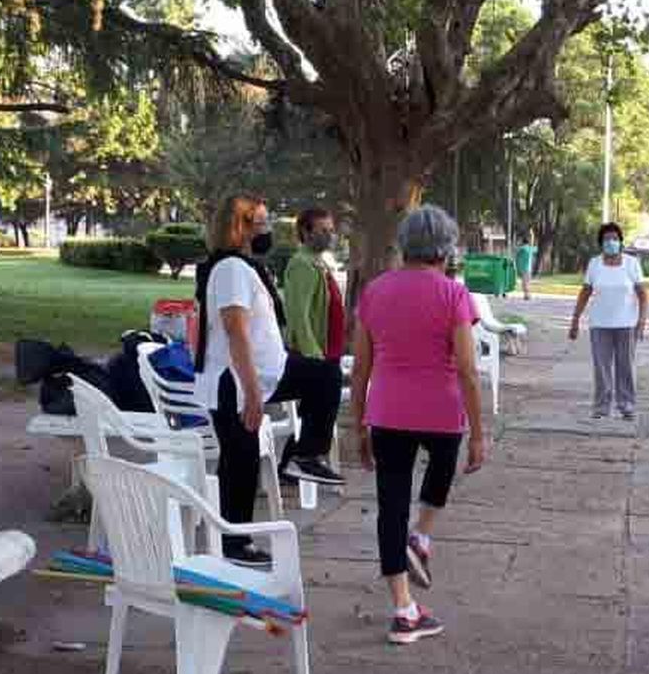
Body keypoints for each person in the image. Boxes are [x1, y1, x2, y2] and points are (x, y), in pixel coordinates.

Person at [350, 205, 486, 644]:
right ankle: (422, 536)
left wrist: (358, 428)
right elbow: (467, 369)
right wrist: (479, 434)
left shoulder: (374, 292)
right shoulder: (453, 295)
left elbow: (360, 370)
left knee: (390, 504)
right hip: (442, 412)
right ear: (446, 249)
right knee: (440, 474)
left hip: (388, 412)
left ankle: (403, 609)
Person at [196, 195, 345, 565]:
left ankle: (303, 455)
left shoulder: (241, 266)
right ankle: (235, 545)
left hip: (266, 372)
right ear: (240, 227)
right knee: (240, 460)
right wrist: (250, 393)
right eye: (261, 222)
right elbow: (235, 332)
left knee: (323, 375)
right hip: (238, 380)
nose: (268, 229)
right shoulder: (230, 269)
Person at [569, 222, 648, 419]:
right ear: (601, 243)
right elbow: (585, 292)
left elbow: (642, 294)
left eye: (614, 238)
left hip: (626, 325)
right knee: (601, 368)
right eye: (606, 239)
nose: (610, 242)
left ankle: (626, 405)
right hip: (600, 325)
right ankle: (601, 406)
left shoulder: (631, 263)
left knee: (626, 367)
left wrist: (642, 322)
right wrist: (575, 320)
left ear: (621, 242)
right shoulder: (594, 264)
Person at [283, 207, 347, 362]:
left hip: (328, 355)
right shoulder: (302, 264)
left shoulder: (319, 262)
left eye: (331, 230)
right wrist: (314, 355)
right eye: (324, 231)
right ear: (306, 232)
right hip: (314, 359)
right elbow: (299, 315)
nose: (330, 236)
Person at [516, 231, 539, 300]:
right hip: (528, 269)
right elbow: (536, 249)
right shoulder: (529, 249)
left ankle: (527, 295)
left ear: (523, 242)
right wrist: (533, 238)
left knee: (525, 283)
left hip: (524, 269)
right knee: (526, 283)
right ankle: (527, 295)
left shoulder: (522, 249)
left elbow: (517, 254)